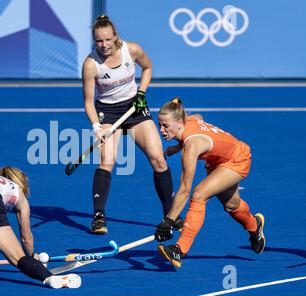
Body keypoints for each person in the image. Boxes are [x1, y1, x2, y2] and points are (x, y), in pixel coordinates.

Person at [82, 15, 180, 234]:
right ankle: (98, 217)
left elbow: (147, 67)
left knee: (158, 160)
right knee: (107, 161)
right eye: (99, 41)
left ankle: (171, 214)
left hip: (135, 107)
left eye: (108, 39)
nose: (104, 45)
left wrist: (141, 93)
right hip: (107, 112)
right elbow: (88, 102)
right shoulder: (91, 65)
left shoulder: (131, 50)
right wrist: (97, 127)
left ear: (115, 35)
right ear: (94, 40)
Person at [154, 97, 266, 268]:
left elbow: (185, 189)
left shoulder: (191, 147)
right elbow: (198, 117)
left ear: (178, 122)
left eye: (166, 126)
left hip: (238, 159)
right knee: (231, 205)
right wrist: (178, 146)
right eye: (160, 125)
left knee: (199, 194)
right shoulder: (188, 121)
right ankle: (254, 226)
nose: (161, 130)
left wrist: (168, 220)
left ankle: (179, 250)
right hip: (217, 161)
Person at [0, 166, 81, 289]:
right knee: (17, 257)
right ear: (21, 183)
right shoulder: (18, 193)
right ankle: (50, 278)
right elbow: (26, 237)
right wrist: (31, 256)